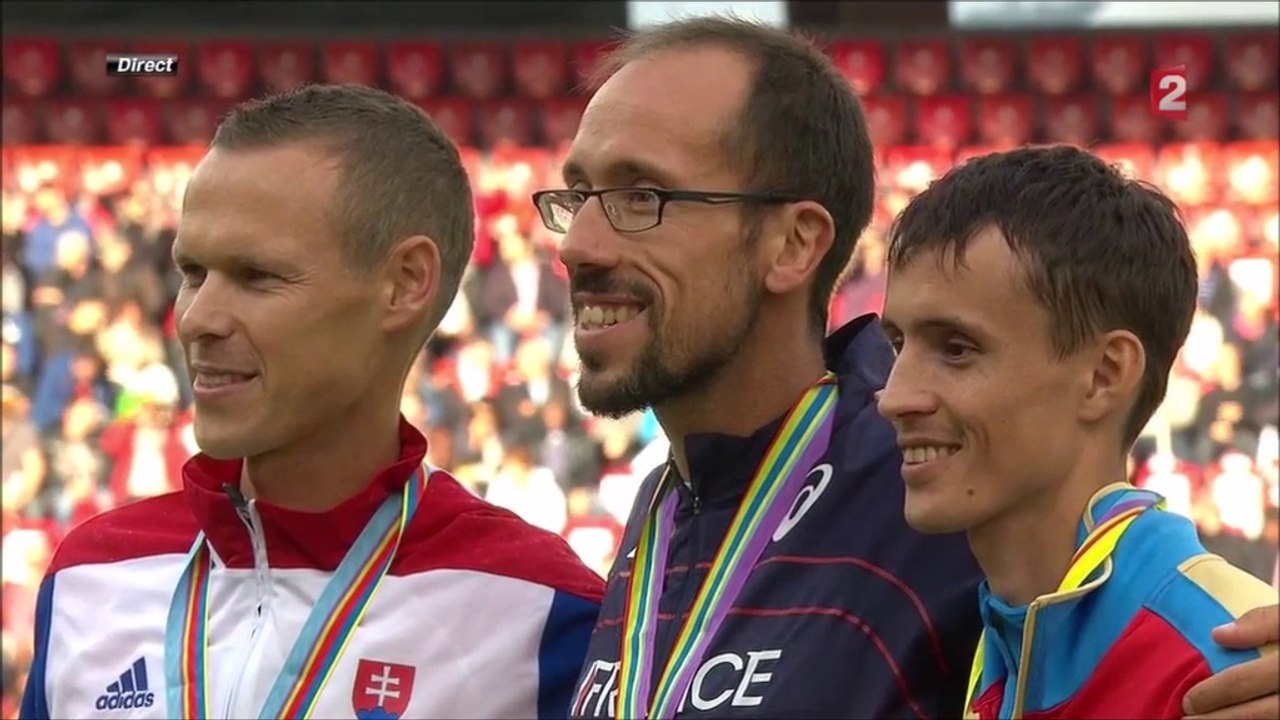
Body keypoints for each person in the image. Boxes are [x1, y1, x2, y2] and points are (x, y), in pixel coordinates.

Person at [529, 16, 1280, 720]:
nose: (579, 243)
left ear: (795, 244)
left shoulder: (926, 492)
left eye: (644, 196)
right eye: (579, 194)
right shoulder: (668, 510)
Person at [19, 84, 604, 720]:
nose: (197, 319)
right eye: (192, 273)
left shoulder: (542, 611)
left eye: (256, 276)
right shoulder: (91, 576)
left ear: (404, 284)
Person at [876, 145, 1278, 719]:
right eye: (898, 345)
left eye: (956, 349)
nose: (894, 396)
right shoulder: (998, 643)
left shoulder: (1229, 665)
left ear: (1103, 375)